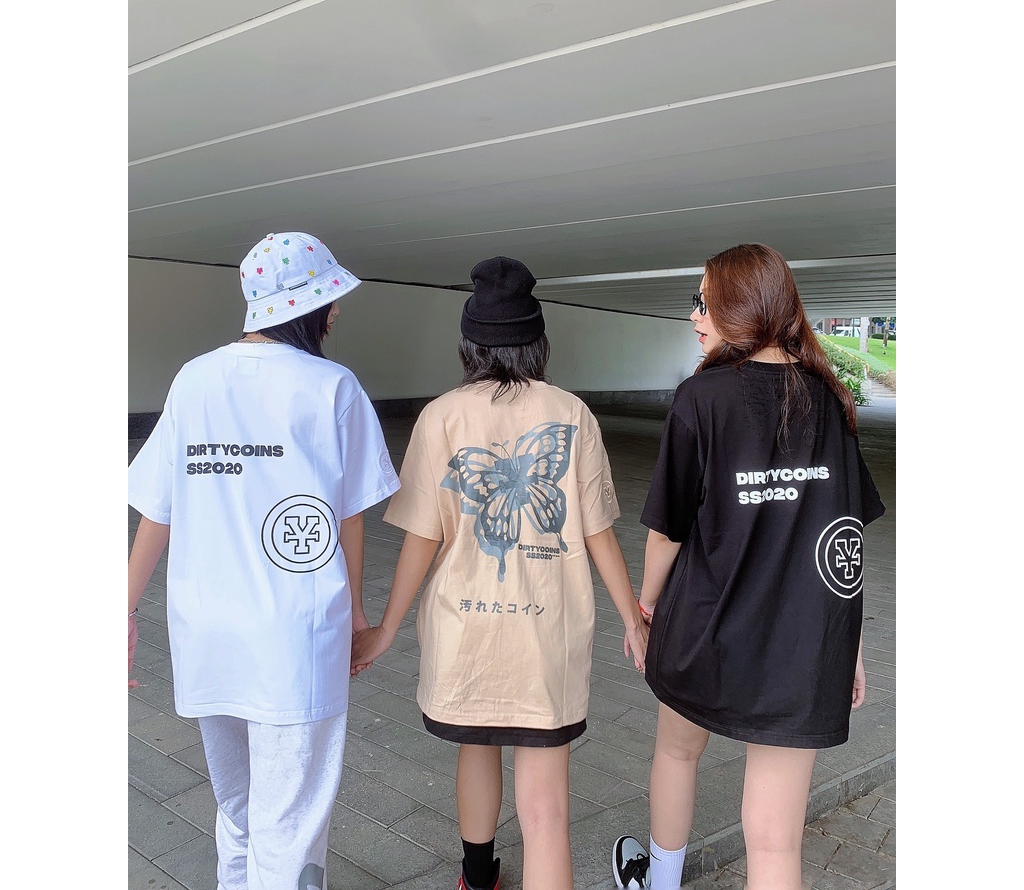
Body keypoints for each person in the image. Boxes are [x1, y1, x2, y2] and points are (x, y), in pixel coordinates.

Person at [351, 256, 649, 890]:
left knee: (477, 744)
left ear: (469, 344)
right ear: (538, 342)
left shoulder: (441, 416)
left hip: (467, 630)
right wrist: (632, 619)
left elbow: (422, 537)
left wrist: (385, 629)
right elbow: (598, 531)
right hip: (548, 631)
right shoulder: (572, 414)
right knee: (546, 810)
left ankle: (477, 878)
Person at [127, 231, 401, 890]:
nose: (336, 311)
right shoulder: (332, 387)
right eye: (331, 300)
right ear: (308, 306)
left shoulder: (194, 379)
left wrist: (123, 610)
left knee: (239, 811)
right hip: (294, 637)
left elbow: (159, 507)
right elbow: (349, 517)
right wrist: (357, 616)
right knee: (291, 827)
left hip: (207, 631)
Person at [611, 243, 886, 890]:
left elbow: (667, 533)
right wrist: (847, 648)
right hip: (802, 647)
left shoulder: (700, 399)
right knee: (774, 839)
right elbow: (842, 541)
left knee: (677, 753)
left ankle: (660, 881)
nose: (694, 316)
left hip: (703, 628)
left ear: (744, 306)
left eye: (705, 302)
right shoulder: (831, 400)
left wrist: (644, 609)